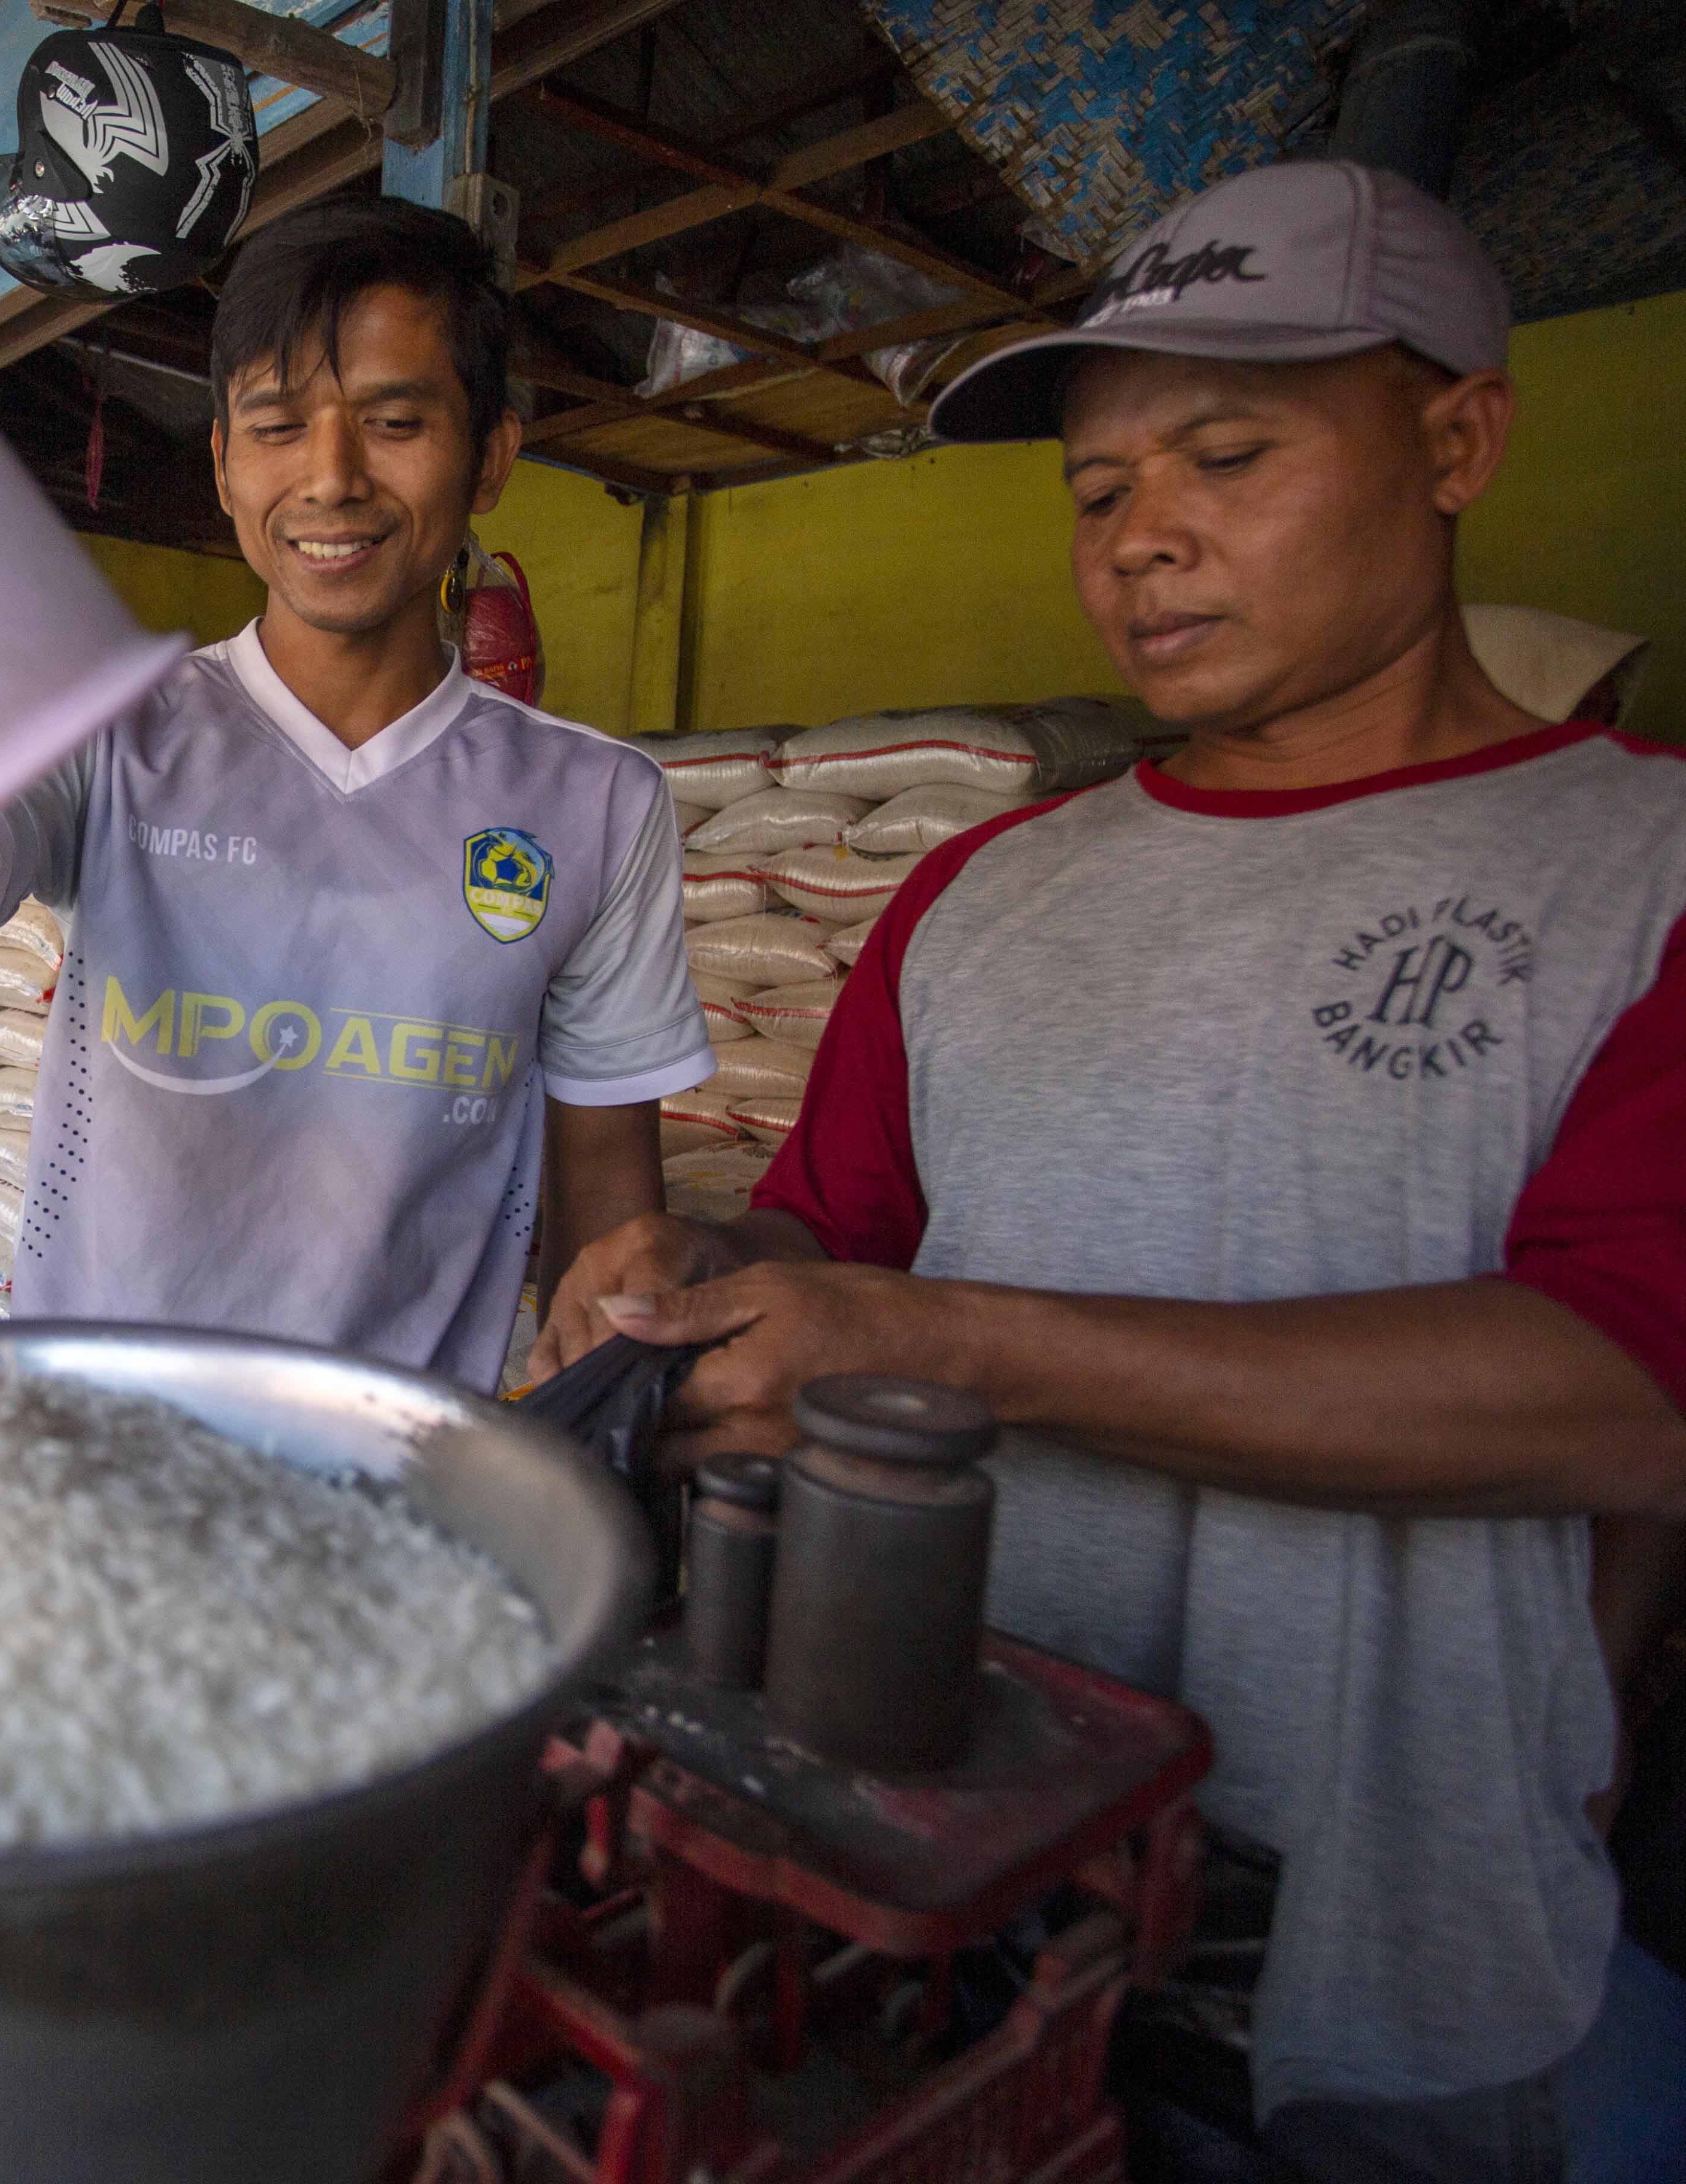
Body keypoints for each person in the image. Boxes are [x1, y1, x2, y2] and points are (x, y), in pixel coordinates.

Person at [541, 162, 1686, 2179]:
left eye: (1225, 458)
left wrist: (946, 1348)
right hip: (947, 1835)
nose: (1140, 536)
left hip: (1375, 1902)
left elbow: (1625, 1391)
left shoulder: (1631, 870)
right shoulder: (984, 889)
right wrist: (702, 1271)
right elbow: (839, 1233)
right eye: (1094, 493)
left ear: (1456, 441)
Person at [0, 197, 712, 1390]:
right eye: (277, 427)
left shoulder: (595, 804)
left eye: (394, 422)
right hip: (92, 1446)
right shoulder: (109, 730)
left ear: (488, 456)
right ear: (223, 464)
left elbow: (606, 1203)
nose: (331, 479)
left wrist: (599, 1419)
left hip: (401, 1467)